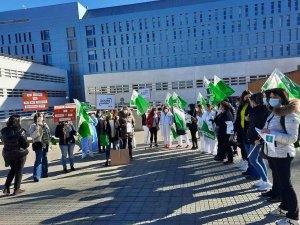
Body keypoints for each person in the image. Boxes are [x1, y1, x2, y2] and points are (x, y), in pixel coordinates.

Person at [259, 88, 299, 225]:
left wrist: (272, 134)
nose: (271, 99)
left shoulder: (290, 115)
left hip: (283, 154)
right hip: (272, 153)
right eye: (270, 96)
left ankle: (293, 217)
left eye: (274, 96)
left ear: (282, 98)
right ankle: (284, 208)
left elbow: (292, 138)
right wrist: (262, 135)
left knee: (286, 186)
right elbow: (268, 129)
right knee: (281, 185)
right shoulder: (273, 113)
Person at [245, 93, 271, 191]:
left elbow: (260, 126)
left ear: (254, 101)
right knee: (259, 159)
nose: (250, 102)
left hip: (257, 139)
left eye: (250, 100)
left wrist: (257, 139)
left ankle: (265, 181)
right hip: (255, 138)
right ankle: (264, 179)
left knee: (253, 160)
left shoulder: (259, 111)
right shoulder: (258, 110)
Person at [1, 115, 29, 195]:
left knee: (13, 169)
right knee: (18, 171)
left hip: (8, 153)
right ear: (17, 122)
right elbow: (26, 144)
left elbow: (3, 140)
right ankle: (17, 189)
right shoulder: (20, 130)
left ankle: (6, 188)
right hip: (19, 154)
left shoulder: (3, 130)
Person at [234, 90, 252, 171]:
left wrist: (248, 119)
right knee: (241, 145)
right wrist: (235, 129)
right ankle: (243, 160)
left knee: (246, 147)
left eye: (249, 97)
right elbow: (238, 118)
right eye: (246, 97)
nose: (247, 98)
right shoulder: (241, 105)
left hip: (247, 129)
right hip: (241, 129)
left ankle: (247, 163)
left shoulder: (251, 105)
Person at [29, 113, 49, 182]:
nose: (40, 118)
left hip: (45, 144)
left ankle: (44, 173)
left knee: (45, 159)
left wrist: (44, 127)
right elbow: (32, 136)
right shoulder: (33, 125)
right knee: (38, 159)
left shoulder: (45, 125)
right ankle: (36, 176)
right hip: (38, 144)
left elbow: (48, 134)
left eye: (41, 116)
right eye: (39, 116)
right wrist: (36, 130)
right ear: (36, 118)